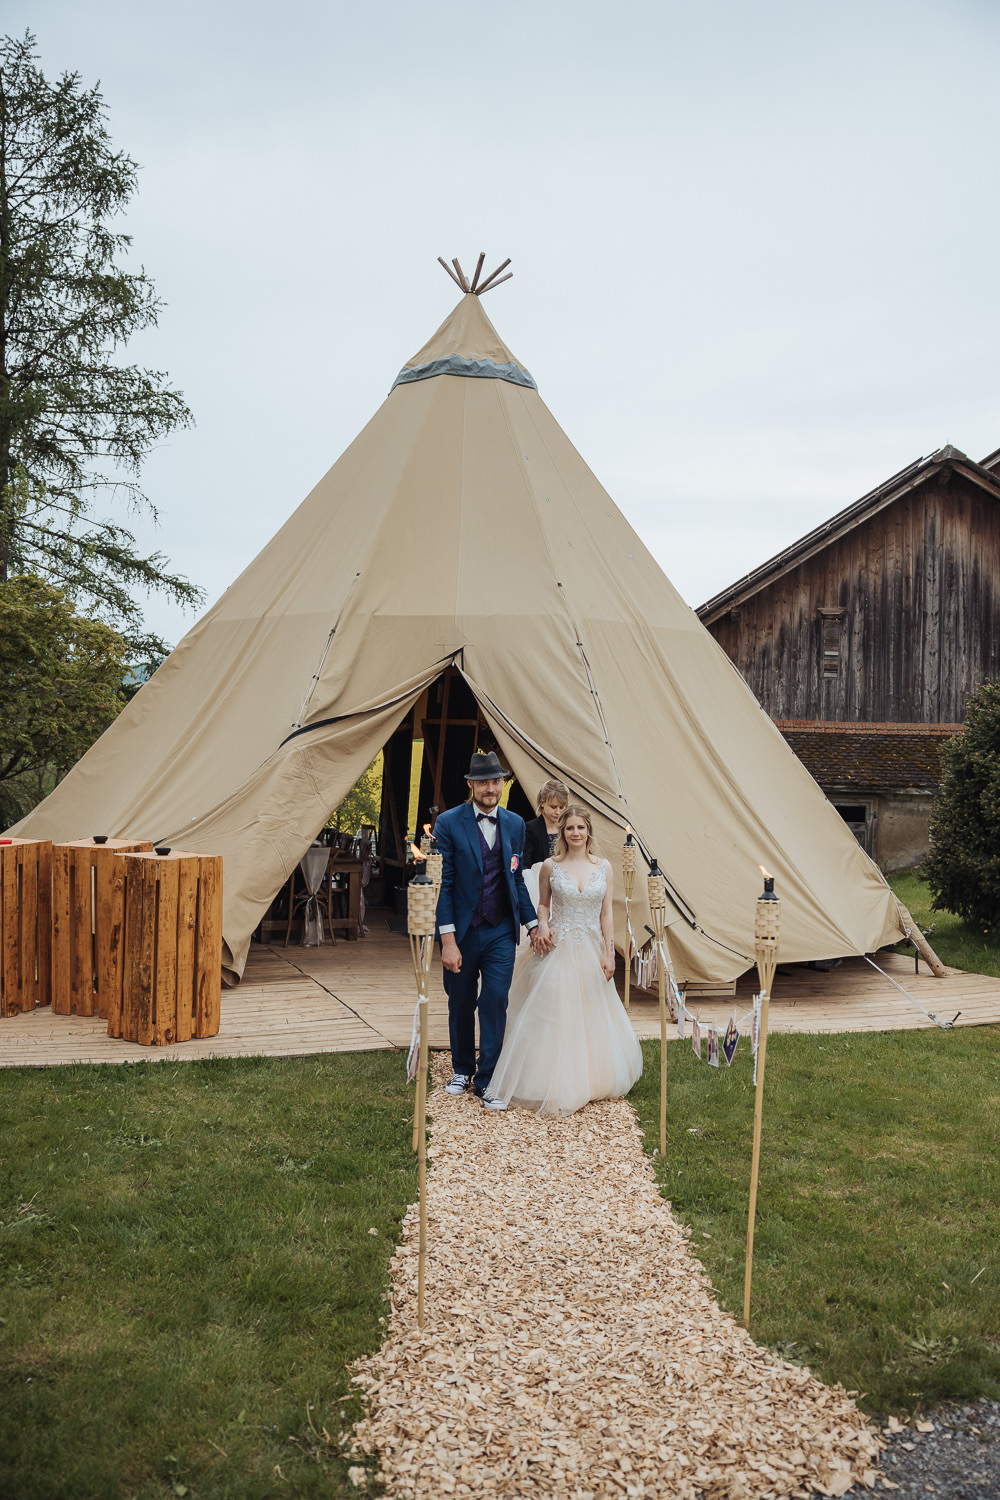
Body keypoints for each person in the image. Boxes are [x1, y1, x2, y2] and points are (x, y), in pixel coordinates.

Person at [489, 804, 643, 1116]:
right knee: (556, 1009)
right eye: (569, 828)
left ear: (589, 832)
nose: (575, 833)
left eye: (580, 828)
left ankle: (592, 1078)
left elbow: (607, 914)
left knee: (589, 1010)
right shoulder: (550, 865)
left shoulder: (605, 867)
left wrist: (609, 951)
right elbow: (542, 905)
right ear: (563, 832)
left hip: (590, 946)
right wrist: (542, 924)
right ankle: (550, 1081)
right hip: (557, 945)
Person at [434, 751, 546, 1109]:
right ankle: (462, 1069)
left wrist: (532, 925)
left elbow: (515, 878)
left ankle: (488, 1079)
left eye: (496, 781)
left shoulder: (514, 824)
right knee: (461, 1001)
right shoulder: (449, 823)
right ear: (471, 785)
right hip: (463, 931)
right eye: (483, 782)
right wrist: (448, 941)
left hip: (500, 930)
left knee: (495, 1000)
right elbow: (444, 885)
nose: (490, 788)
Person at [523, 778, 570, 868]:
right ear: (542, 803)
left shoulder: (568, 828)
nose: (558, 812)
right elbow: (525, 864)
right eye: (553, 807)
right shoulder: (530, 829)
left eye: (561, 807)